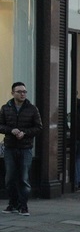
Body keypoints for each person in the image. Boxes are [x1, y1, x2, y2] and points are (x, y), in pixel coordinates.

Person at [0, 82, 42, 216]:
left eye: (24, 91)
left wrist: (24, 132)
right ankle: (13, 204)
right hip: (10, 148)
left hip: (25, 148)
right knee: (10, 178)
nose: (22, 94)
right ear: (13, 93)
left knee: (24, 178)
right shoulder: (6, 108)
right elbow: (0, 125)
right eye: (19, 92)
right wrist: (11, 130)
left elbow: (38, 127)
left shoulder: (32, 109)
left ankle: (23, 206)